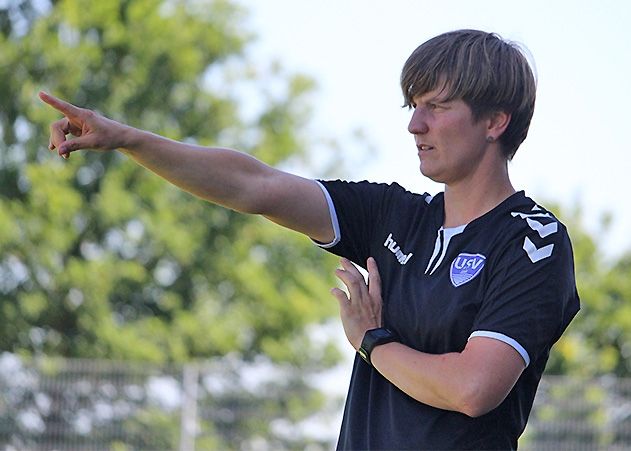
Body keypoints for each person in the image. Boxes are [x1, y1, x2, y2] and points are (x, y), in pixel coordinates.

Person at [40, 29, 579, 450]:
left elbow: (473, 389)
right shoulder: (393, 214)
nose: (415, 125)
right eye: (412, 106)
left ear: (495, 122)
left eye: (436, 107)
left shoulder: (534, 241)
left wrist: (374, 343)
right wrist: (128, 139)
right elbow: (257, 185)